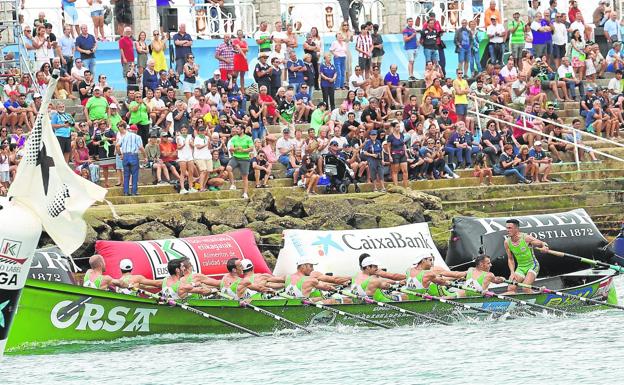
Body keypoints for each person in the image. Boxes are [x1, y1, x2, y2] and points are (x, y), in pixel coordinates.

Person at [504, 219, 549, 294]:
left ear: (516, 229)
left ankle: (538, 295)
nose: (507, 230)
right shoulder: (507, 242)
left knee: (525, 288)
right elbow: (510, 259)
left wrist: (545, 247)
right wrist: (512, 273)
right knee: (511, 288)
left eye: (510, 228)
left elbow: (542, 243)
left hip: (532, 265)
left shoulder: (526, 238)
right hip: (521, 268)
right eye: (506, 228)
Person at [116, 123, 146, 196]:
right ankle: (134, 192)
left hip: (125, 156)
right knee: (135, 175)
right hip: (133, 156)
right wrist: (145, 156)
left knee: (126, 175)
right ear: (136, 130)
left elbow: (117, 146)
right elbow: (141, 148)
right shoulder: (137, 137)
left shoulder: (124, 136)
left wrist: (120, 154)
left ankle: (126, 192)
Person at [226, 124, 254, 199]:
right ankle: (233, 184)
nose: (236, 131)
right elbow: (231, 148)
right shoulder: (234, 138)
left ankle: (245, 193)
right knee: (228, 168)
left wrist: (244, 150)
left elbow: (251, 148)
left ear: (242, 130)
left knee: (245, 176)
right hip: (235, 157)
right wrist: (236, 149)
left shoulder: (248, 138)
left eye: (238, 129)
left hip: (245, 158)